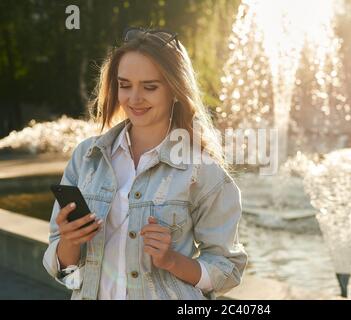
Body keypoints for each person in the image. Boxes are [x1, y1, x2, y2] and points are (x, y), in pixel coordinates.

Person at [42, 27, 247, 300]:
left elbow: (228, 269)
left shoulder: (202, 170)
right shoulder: (86, 158)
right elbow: (64, 272)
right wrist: (69, 239)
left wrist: (171, 260)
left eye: (149, 87)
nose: (134, 98)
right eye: (125, 85)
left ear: (174, 90)